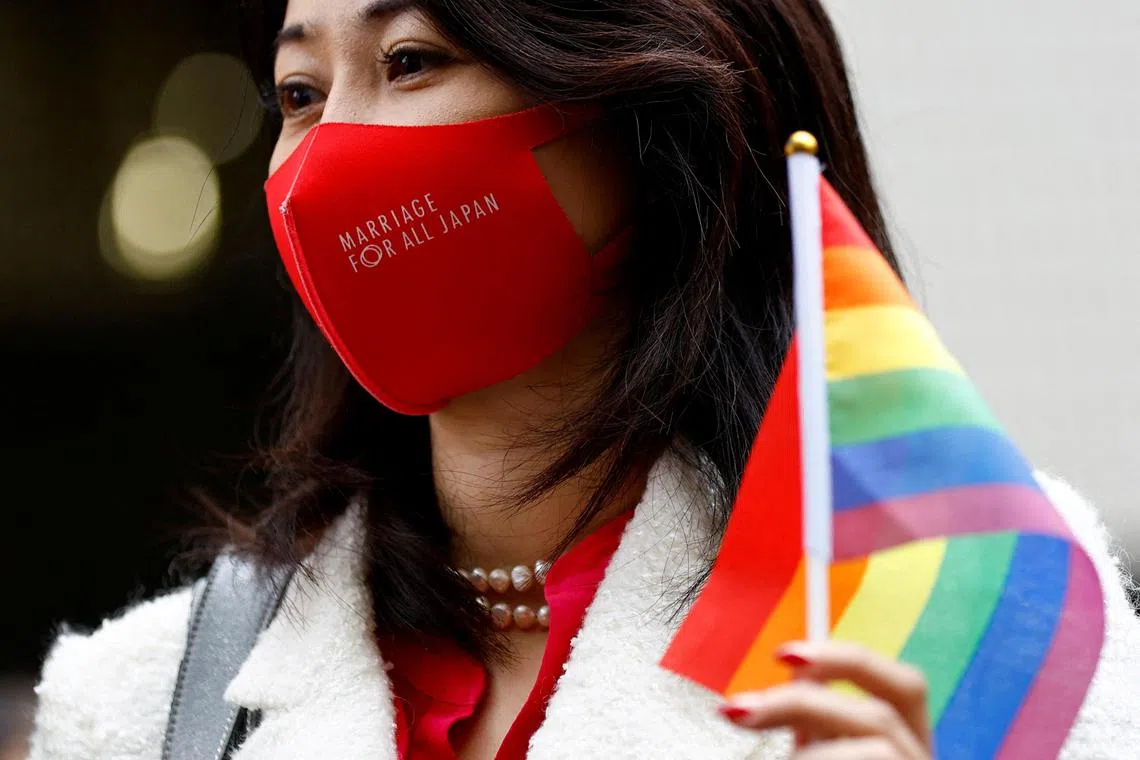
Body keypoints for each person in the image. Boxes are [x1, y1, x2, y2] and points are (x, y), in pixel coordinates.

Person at [27, 0, 1140, 758]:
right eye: (299, 90)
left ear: (637, 118)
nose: (326, 161)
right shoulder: (150, 700)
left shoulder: (977, 608)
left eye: (409, 62)